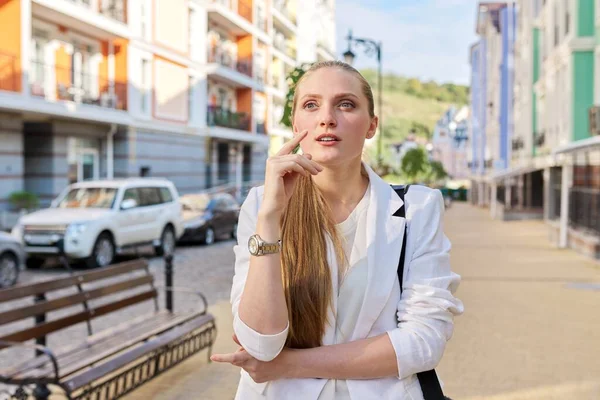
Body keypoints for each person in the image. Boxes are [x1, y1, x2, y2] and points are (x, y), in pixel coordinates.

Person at [211, 60, 464, 400]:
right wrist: (270, 222)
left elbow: (423, 342)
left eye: (346, 104)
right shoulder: (261, 204)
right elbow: (260, 343)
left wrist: (289, 365)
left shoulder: (417, 208)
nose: (327, 118)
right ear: (295, 122)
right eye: (311, 104)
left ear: (371, 125)